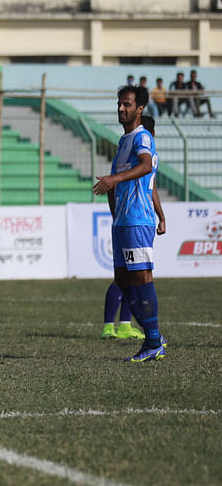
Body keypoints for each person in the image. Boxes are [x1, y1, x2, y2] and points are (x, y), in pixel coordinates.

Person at [93, 86, 166, 362]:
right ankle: (152, 336)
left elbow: (147, 167)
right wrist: (115, 213)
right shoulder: (124, 142)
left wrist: (115, 180)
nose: (121, 109)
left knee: (141, 278)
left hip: (138, 220)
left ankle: (153, 340)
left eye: (127, 104)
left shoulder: (142, 137)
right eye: (119, 104)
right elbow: (113, 185)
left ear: (140, 108)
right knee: (123, 281)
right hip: (123, 223)